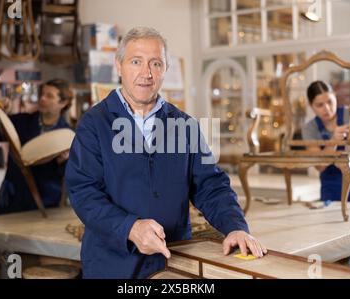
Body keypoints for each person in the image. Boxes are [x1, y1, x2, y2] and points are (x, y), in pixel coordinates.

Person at [65, 27, 267, 279]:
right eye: (136, 61)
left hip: (173, 260)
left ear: (165, 69)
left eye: (156, 63)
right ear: (119, 66)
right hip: (112, 265)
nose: (146, 73)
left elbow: (211, 185)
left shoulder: (185, 125)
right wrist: (129, 228)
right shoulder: (94, 124)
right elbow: (83, 192)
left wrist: (235, 227)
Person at [0, 79, 73, 215]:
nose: (42, 98)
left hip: (45, 204)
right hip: (12, 200)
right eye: (42, 94)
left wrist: (64, 162)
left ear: (63, 103)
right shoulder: (22, 122)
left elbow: (74, 176)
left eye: (49, 96)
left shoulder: (69, 135)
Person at [302, 80, 350, 203]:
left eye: (330, 102)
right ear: (311, 106)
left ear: (335, 97)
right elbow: (320, 166)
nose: (327, 108)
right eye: (320, 105)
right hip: (332, 188)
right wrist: (333, 141)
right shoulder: (310, 129)